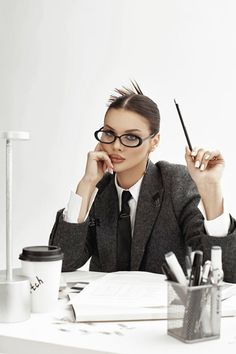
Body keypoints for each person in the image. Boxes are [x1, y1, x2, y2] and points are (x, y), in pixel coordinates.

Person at [49, 81, 236, 282]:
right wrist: (86, 184)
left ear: (154, 142)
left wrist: (211, 190)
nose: (116, 146)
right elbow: (63, 263)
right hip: (105, 310)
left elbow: (226, 272)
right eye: (110, 133)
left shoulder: (175, 183)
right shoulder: (99, 190)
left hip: (162, 310)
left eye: (131, 137)